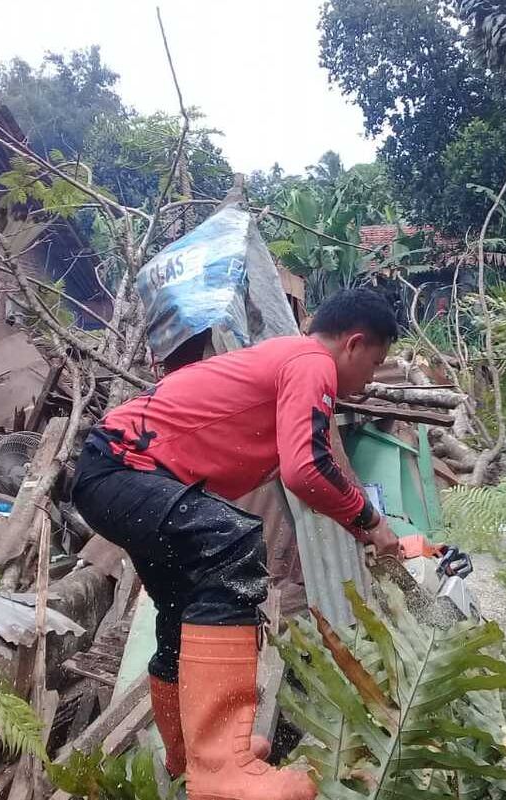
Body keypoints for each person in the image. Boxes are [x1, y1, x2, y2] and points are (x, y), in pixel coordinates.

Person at [71, 288, 401, 800]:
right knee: (234, 541)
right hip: (125, 467)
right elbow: (305, 467)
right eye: (375, 363)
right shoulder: (311, 362)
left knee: (183, 606)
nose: (372, 378)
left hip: (113, 471)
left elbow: (315, 464)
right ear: (354, 344)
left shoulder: (287, 362)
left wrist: (365, 520)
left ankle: (187, 756)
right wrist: (371, 523)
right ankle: (222, 764)